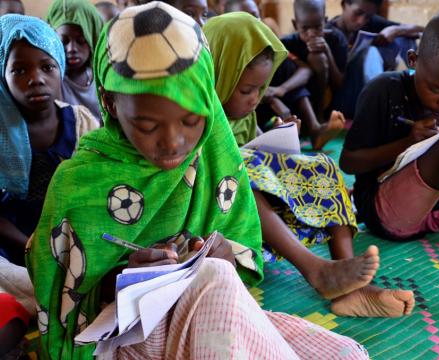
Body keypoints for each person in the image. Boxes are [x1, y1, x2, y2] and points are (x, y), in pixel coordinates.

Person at [26, 2, 369, 359]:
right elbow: (60, 297)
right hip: (121, 340)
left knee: (345, 353)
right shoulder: (80, 183)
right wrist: (123, 280)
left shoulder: (213, 152)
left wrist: (226, 256)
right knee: (214, 280)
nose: (174, 143)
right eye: (148, 125)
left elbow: (242, 255)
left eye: (192, 121)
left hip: (203, 314)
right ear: (110, 103)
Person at [204, 12, 415, 318]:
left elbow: (258, 146)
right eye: (247, 91)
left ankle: (350, 285)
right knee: (240, 168)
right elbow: (223, 169)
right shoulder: (200, 119)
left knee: (322, 166)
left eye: (260, 90)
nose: (254, 100)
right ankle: (316, 270)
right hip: (222, 217)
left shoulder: (245, 114)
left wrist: (280, 135)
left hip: (261, 209)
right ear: (217, 74)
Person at [340, 11, 439, 244]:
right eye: (436, 89)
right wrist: (407, 143)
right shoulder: (384, 91)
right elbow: (348, 162)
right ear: (413, 60)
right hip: (387, 209)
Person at [0, 14, 99, 266]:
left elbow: (94, 192)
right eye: (19, 70)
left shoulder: (81, 123)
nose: (36, 79)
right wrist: (31, 247)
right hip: (11, 249)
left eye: (47, 67)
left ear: (60, 68)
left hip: (71, 244)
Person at [223, 0, 344, 149]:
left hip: (265, 104)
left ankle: (314, 127)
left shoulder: (266, 47)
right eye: (244, 20)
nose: (253, 24)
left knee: (286, 67)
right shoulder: (226, 58)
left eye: (256, 17)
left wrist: (280, 90)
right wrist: (273, 99)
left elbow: (304, 70)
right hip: (249, 109)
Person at [282, 0, 348, 123]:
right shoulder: (287, 44)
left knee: (317, 57)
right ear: (295, 25)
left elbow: (339, 83)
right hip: (299, 101)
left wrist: (327, 51)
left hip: (329, 103)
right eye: (305, 28)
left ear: (326, 21)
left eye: (318, 27)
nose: (311, 33)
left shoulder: (336, 39)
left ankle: (319, 115)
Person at [46, 0, 104, 123]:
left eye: (81, 40)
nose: (72, 49)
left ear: (93, 38)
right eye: (63, 41)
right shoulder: (54, 81)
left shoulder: (101, 78)